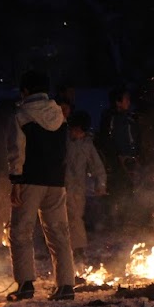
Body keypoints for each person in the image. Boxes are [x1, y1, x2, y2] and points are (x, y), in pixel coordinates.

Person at [5, 69, 76, 301]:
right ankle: (66, 286)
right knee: (59, 233)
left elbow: (17, 150)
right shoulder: (60, 114)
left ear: (25, 91)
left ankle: (25, 284)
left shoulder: (21, 115)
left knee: (20, 232)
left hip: (29, 181)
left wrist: (15, 180)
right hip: (56, 182)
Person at [64, 110, 107, 261]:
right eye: (75, 130)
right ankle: (61, 248)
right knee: (59, 220)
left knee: (75, 218)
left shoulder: (87, 145)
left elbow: (97, 167)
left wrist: (100, 184)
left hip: (77, 188)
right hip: (59, 187)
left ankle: (78, 248)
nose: (78, 133)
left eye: (81, 131)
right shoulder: (63, 141)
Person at [96, 87, 141, 230]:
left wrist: (138, 154)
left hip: (131, 160)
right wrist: (117, 158)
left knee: (131, 191)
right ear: (118, 102)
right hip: (117, 162)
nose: (129, 101)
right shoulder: (111, 118)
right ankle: (115, 224)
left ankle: (130, 222)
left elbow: (135, 139)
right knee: (118, 192)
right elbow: (105, 141)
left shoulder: (130, 118)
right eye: (126, 99)